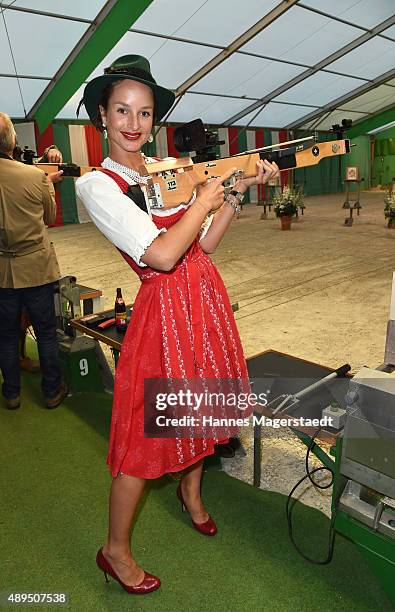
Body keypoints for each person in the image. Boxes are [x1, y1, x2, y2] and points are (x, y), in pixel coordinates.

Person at [76, 55, 279, 595]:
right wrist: (206, 197)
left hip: (203, 300)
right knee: (147, 436)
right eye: (121, 110)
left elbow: (204, 245)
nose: (133, 124)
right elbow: (163, 256)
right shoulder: (97, 186)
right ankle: (114, 551)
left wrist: (237, 191)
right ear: (102, 114)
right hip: (164, 310)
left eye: (144, 113)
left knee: (203, 408)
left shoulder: (165, 170)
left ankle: (191, 494)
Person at [0, 112, 67, 410]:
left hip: (2, 271)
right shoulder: (34, 176)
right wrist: (48, 183)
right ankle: (52, 391)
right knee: (46, 333)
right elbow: (50, 217)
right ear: (11, 139)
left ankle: (11, 393)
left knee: (5, 336)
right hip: (37, 268)